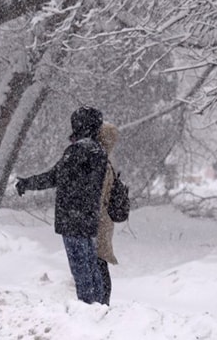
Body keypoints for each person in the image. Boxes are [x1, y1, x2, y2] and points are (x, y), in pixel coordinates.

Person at [15, 107, 108, 304]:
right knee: (91, 265)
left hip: (73, 218)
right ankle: (100, 306)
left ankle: (88, 309)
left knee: (80, 268)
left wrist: (28, 183)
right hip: (89, 216)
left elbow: (55, 176)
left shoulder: (77, 151)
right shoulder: (99, 151)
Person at [95, 122, 120, 305]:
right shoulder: (107, 162)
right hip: (105, 220)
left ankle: (102, 302)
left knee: (99, 261)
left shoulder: (102, 164)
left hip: (99, 220)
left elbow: (99, 195)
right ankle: (103, 301)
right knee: (100, 260)